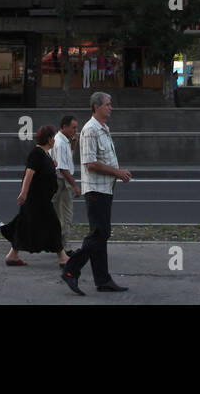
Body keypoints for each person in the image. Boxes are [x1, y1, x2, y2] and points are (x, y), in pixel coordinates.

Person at [61, 92, 131, 295]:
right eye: (108, 104)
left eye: (110, 104)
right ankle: (71, 271)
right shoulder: (90, 130)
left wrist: (117, 173)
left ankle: (103, 280)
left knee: (100, 234)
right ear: (96, 107)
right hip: (96, 190)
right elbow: (90, 164)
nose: (111, 107)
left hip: (104, 189)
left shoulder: (103, 129)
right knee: (99, 234)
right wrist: (117, 172)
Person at [1, 125, 65, 266]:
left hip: (40, 199)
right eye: (53, 137)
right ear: (49, 139)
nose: (55, 140)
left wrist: (52, 165)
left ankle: (12, 255)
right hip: (37, 199)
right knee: (54, 225)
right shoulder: (36, 153)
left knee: (24, 225)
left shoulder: (44, 154)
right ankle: (63, 257)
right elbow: (29, 173)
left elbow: (43, 171)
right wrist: (23, 193)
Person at [51, 115, 81, 257]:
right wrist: (75, 185)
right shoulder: (61, 143)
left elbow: (67, 161)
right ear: (64, 127)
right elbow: (63, 168)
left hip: (60, 181)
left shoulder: (63, 141)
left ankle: (62, 246)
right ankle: (65, 249)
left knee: (60, 216)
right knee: (65, 216)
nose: (76, 130)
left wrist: (74, 146)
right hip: (62, 182)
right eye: (73, 127)